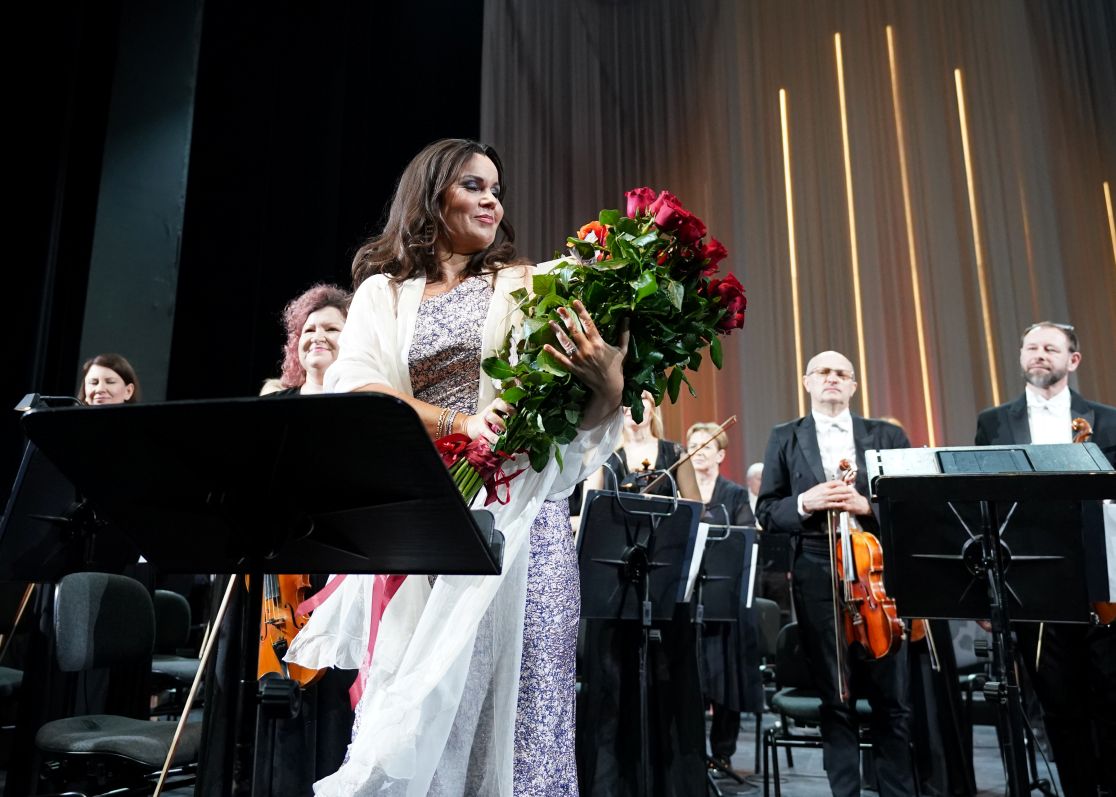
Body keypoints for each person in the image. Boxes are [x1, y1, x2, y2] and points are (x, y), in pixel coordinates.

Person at [284, 138, 626, 796]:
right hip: (424, 519)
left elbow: (573, 413)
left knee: (528, 712)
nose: (492, 199)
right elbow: (356, 385)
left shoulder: (527, 282)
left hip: (526, 526)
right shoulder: (383, 293)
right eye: (474, 185)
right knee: (420, 705)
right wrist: (459, 423)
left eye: (496, 189)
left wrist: (607, 386)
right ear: (431, 196)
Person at [755, 349, 915, 797]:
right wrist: (807, 501)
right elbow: (768, 510)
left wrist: (868, 505)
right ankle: (845, 791)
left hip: (876, 572)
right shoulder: (784, 436)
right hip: (815, 568)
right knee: (835, 693)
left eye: (841, 374)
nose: (832, 379)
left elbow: (911, 501)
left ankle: (896, 791)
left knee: (893, 697)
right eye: (823, 372)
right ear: (807, 382)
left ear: (853, 386)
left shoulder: (886, 435)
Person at [974, 321, 1116, 797]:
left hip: (1102, 580)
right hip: (1031, 578)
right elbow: (983, 505)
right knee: (1057, 701)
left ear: (1072, 361)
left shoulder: (1108, 419)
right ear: (1020, 356)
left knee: (1110, 693)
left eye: (1051, 348)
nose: (1040, 354)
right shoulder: (994, 422)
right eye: (1031, 346)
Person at [576, 399, 706, 795]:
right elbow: (589, 513)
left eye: (646, 400)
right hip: (614, 593)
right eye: (631, 400)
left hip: (662, 593)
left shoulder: (676, 455)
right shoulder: (603, 455)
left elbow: (695, 513)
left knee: (665, 687)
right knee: (613, 692)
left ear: (654, 409)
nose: (638, 407)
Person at [686, 422, 763, 776]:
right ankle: (688, 756)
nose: (698, 450)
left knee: (724, 679)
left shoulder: (732, 495)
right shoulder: (679, 490)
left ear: (720, 454)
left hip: (724, 603)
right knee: (689, 680)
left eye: (706, 446)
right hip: (687, 601)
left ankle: (722, 753)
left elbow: (747, 537)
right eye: (693, 444)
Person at [272, 284, 351, 395]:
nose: (317, 338)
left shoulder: (370, 404)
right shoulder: (270, 406)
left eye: (331, 329)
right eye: (309, 330)